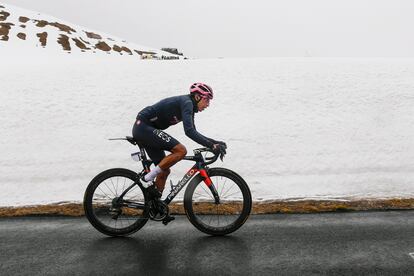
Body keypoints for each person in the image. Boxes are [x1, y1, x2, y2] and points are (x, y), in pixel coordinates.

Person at [132, 83, 227, 202]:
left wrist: (215, 142)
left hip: (146, 129)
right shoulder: (187, 103)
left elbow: (193, 131)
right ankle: (146, 178)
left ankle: (155, 204)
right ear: (197, 97)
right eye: (206, 99)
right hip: (143, 127)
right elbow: (189, 132)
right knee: (181, 150)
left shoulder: (189, 106)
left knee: (164, 169)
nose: (208, 104)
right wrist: (211, 145)